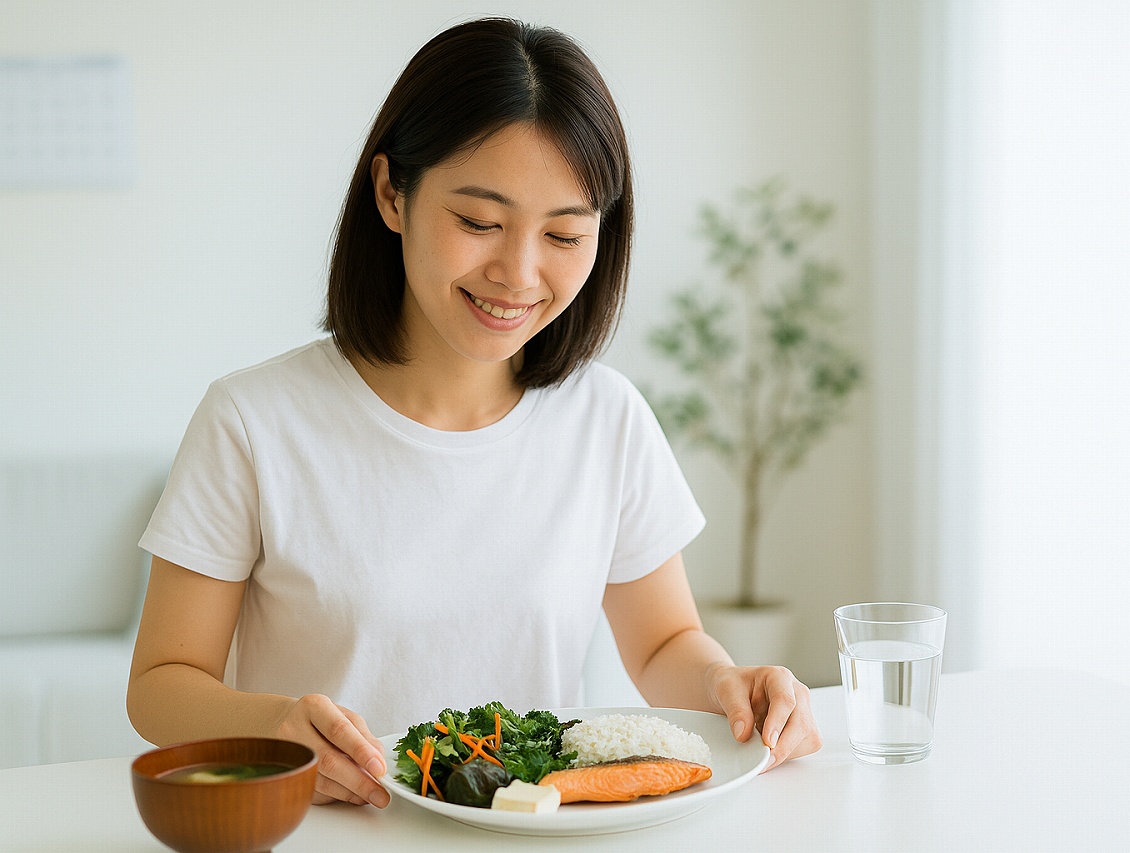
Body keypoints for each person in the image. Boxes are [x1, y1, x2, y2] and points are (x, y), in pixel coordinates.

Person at [127, 17, 821, 809]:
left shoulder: (606, 418)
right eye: (479, 223)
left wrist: (728, 681)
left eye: (563, 233)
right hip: (335, 829)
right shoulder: (254, 420)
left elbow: (664, 643)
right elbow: (160, 686)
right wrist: (277, 725)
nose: (518, 274)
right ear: (392, 193)